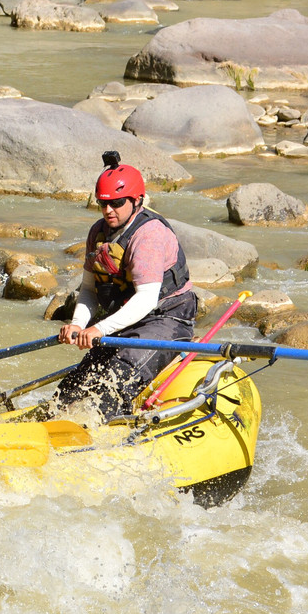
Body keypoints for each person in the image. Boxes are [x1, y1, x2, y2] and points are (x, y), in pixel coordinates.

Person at [54, 151, 197, 419]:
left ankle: (108, 434)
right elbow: (88, 290)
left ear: (137, 200)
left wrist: (99, 328)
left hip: (167, 316)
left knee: (116, 381)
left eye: (117, 203)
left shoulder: (149, 235)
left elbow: (145, 298)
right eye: (103, 203)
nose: (108, 210)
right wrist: (77, 324)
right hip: (127, 318)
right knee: (71, 389)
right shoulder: (98, 233)